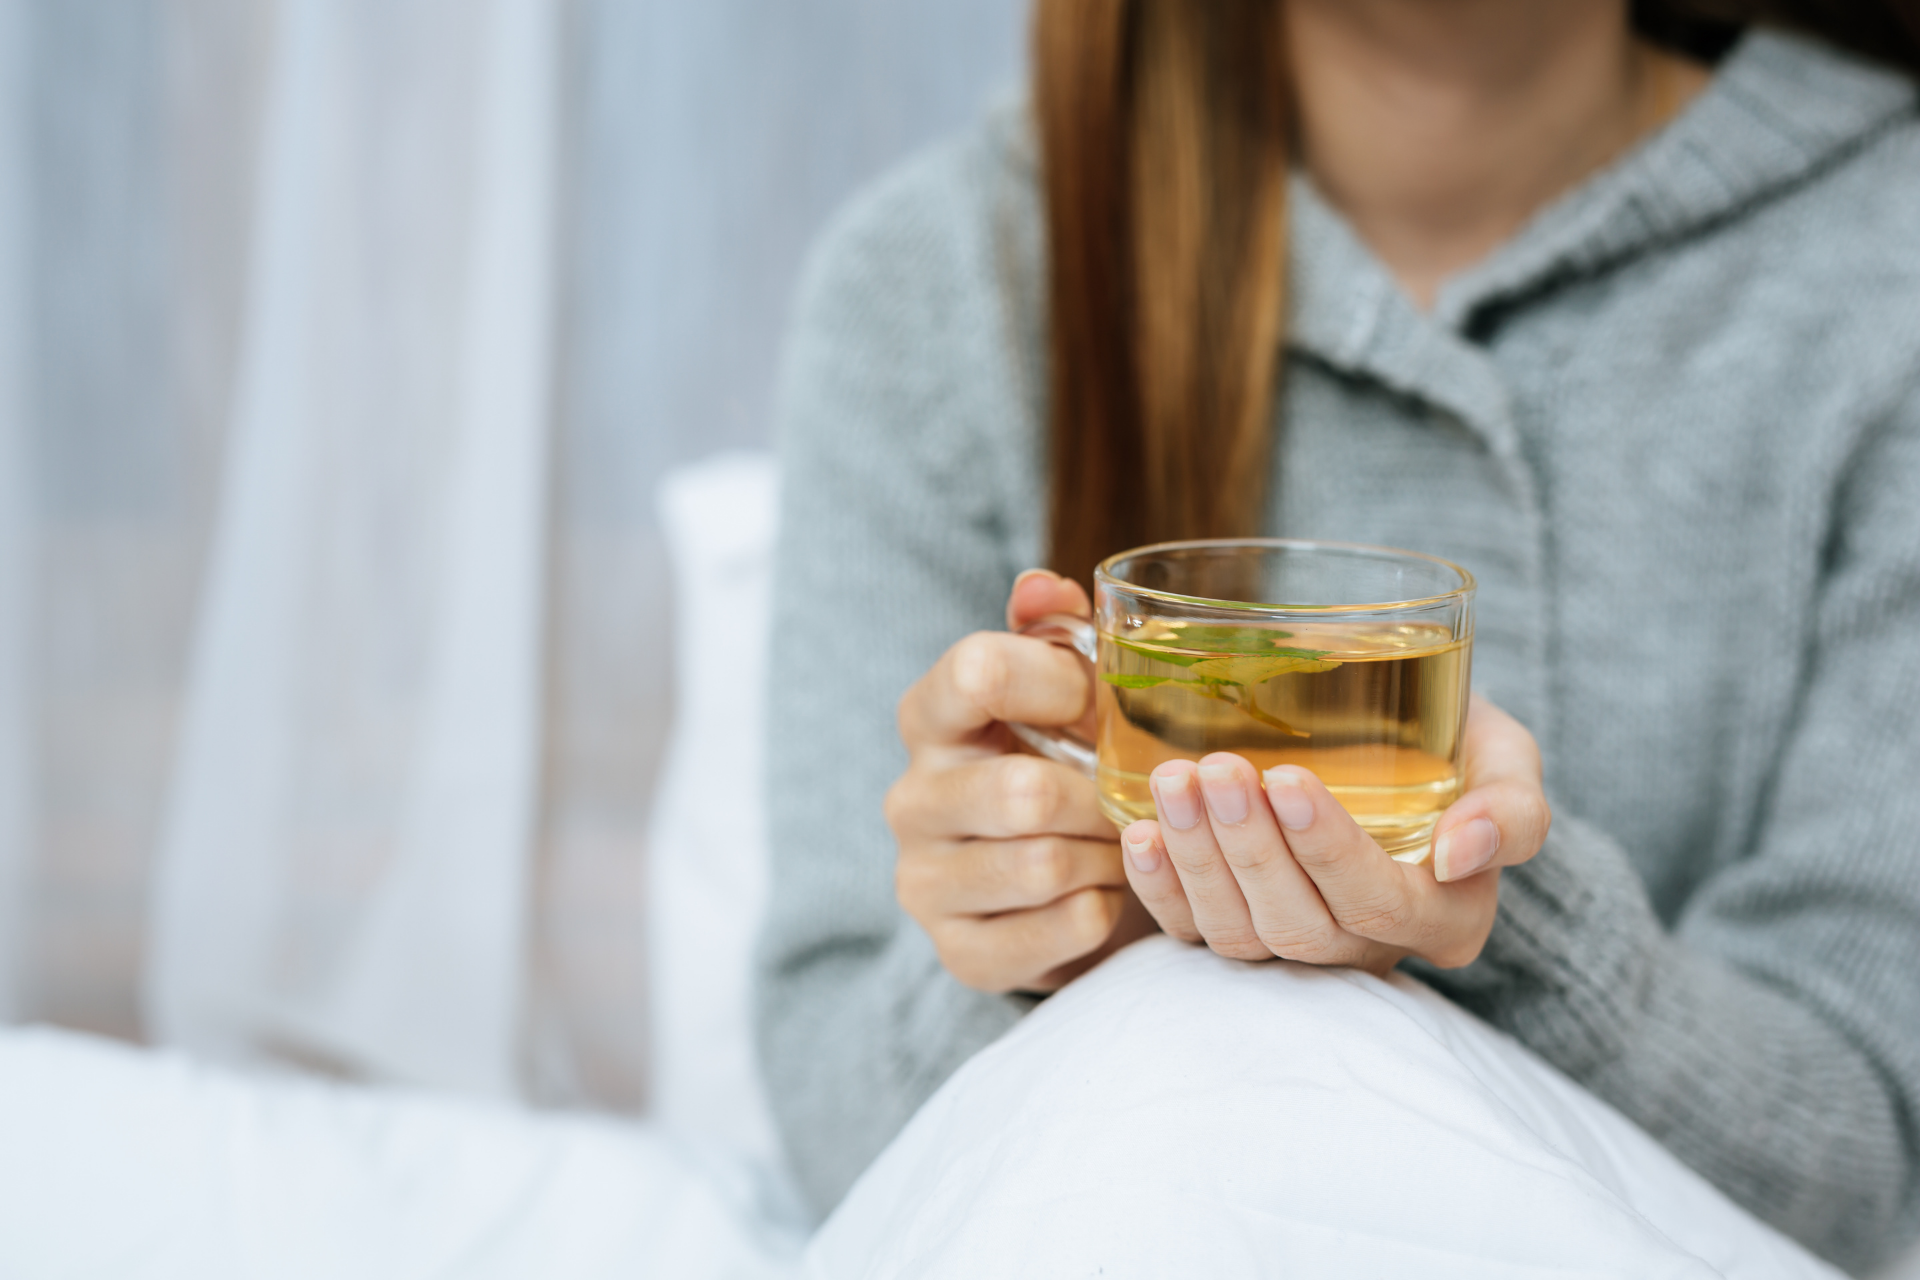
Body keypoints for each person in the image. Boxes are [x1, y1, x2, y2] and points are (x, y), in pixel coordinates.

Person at [752, 0, 1920, 1272]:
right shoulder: (941, 281)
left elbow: (1866, 1148)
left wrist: (1503, 914)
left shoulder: (1885, 263)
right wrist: (1064, 911)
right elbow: (840, 1135)